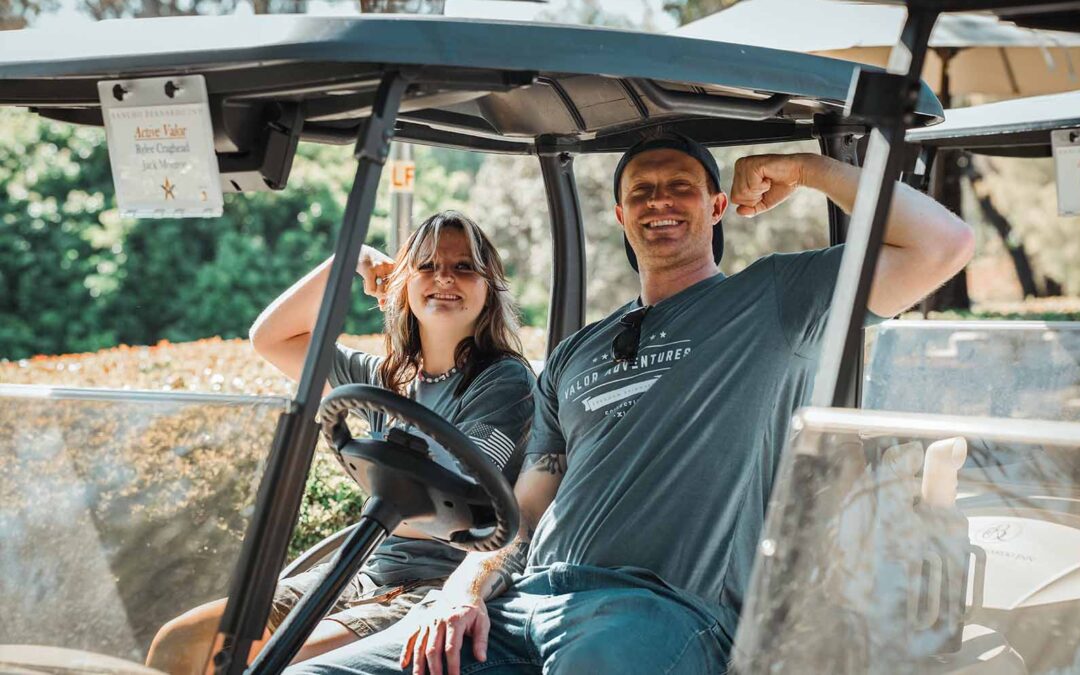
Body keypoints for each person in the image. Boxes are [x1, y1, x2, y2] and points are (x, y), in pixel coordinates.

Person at [286, 133, 975, 675]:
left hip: (660, 613)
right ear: (620, 215)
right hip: (527, 605)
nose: (658, 201)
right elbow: (524, 508)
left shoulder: (776, 302)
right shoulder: (574, 354)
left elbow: (943, 245)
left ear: (717, 207)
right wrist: (464, 589)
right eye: (641, 190)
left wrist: (808, 168)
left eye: (680, 187)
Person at [145, 211, 535, 674]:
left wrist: (388, 500)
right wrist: (352, 259)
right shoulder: (386, 376)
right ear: (402, 285)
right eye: (427, 266)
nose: (444, 277)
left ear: (489, 288)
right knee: (183, 643)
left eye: (464, 266)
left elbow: (464, 507)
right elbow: (271, 339)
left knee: (269, 664)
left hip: (433, 587)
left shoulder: (503, 381)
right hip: (360, 573)